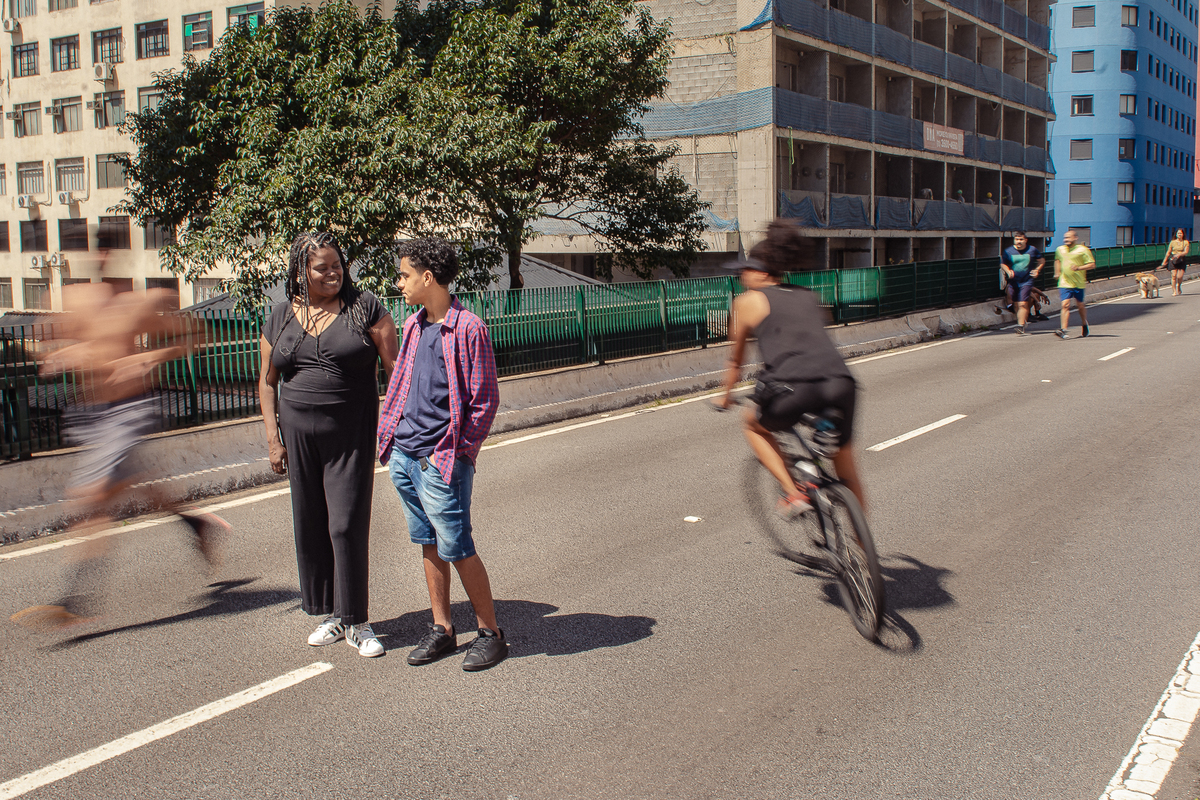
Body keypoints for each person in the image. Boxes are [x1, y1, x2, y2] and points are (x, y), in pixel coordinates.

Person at [11, 261, 229, 630]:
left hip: (130, 409)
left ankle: (72, 599)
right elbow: (39, 343)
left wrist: (151, 355)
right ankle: (195, 523)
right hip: (90, 413)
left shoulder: (142, 303)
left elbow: (197, 334)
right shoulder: (72, 299)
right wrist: (57, 353)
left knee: (89, 499)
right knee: (130, 486)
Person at [259, 232, 398, 658]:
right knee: (311, 525)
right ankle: (332, 615)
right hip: (298, 434)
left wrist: (396, 428)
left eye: (337, 265)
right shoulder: (280, 316)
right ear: (301, 272)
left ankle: (357, 621)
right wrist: (273, 439)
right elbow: (267, 382)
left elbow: (395, 372)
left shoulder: (365, 308)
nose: (333, 273)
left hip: (350, 434)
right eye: (322, 267)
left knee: (345, 524)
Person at [377, 238, 506, 672]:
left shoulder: (469, 328)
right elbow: (402, 385)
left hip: (440, 459)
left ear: (427, 277)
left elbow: (485, 401)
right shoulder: (413, 325)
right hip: (405, 454)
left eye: (404, 276)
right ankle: (443, 628)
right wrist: (394, 441)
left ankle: (490, 633)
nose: (399, 284)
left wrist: (456, 454)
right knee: (428, 543)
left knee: (459, 546)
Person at [718, 220, 865, 516]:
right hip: (840, 382)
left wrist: (725, 396)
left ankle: (794, 492)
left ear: (762, 272)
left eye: (745, 270)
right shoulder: (808, 295)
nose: (741, 276)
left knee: (752, 424)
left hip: (794, 385)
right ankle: (862, 544)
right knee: (848, 471)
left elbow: (736, 361)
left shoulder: (747, 301)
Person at [1000, 232, 1045, 335]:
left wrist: (1037, 270)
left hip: (1027, 280)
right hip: (1014, 281)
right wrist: (1008, 271)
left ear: (1025, 240)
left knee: (1023, 303)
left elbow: (1042, 261)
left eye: (1021, 239)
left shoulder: (1032, 250)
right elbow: (1003, 264)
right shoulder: (1008, 251)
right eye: (1017, 239)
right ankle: (1022, 321)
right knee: (1016, 304)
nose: (1019, 242)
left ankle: (1020, 326)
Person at [1054, 230, 1095, 339]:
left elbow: (1092, 265)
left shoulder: (1083, 250)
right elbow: (1057, 260)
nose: (1066, 240)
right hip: (1064, 282)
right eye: (1065, 238)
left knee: (1080, 305)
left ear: (1075, 238)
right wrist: (1057, 272)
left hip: (1078, 282)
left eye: (1068, 237)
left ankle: (1084, 323)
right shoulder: (1060, 249)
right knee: (1065, 305)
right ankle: (1063, 329)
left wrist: (1079, 268)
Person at [1161, 228, 1189, 296]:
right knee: (1173, 276)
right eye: (1178, 233)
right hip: (1173, 259)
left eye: (1181, 233)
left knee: (1179, 277)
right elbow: (1168, 252)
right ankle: (1174, 291)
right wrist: (1164, 261)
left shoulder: (1185, 242)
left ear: (1183, 234)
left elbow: (1186, 252)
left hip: (1181, 259)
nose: (1179, 234)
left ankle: (1179, 286)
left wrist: (1179, 254)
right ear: (1176, 234)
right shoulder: (1172, 242)